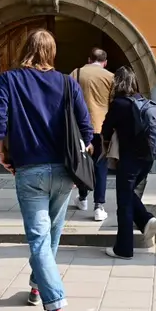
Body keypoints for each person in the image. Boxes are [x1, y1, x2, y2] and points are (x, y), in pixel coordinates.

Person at [0, 29, 94, 311]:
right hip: (64, 170)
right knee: (51, 235)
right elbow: (86, 128)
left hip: (30, 169)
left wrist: (1, 152)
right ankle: (37, 285)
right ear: (52, 52)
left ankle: (54, 307)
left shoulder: (9, 80)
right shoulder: (67, 83)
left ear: (25, 49)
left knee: (39, 237)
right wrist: (81, 158)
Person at [101, 66, 156, 260]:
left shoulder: (119, 104)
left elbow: (106, 129)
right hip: (147, 159)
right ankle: (145, 220)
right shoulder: (141, 101)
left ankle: (124, 249)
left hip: (129, 160)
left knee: (124, 202)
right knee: (128, 193)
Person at [70, 48, 114, 221]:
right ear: (105, 62)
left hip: (79, 127)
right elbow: (113, 103)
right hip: (101, 127)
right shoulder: (110, 77)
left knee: (81, 163)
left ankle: (82, 198)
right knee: (100, 166)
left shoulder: (76, 73)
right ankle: (99, 206)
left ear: (89, 59)